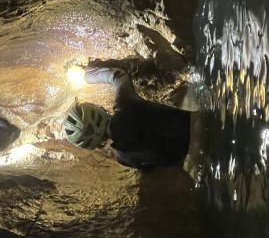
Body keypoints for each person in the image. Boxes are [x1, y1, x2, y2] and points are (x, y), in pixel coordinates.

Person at [63, 67, 191, 170]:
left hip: (195, 159)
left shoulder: (123, 158)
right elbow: (118, 75)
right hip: (198, 125)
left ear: (93, 145)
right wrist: (88, 75)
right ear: (98, 109)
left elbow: (151, 170)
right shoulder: (125, 104)